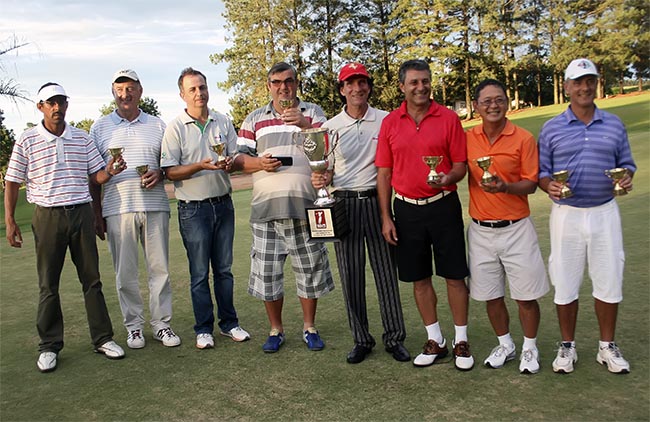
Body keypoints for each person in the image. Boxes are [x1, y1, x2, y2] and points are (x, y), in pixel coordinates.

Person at [4, 83, 125, 372]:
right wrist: (9, 220)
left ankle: (103, 338)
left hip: (80, 213)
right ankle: (49, 345)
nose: (57, 108)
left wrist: (110, 170)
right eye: (51, 103)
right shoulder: (27, 139)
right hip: (47, 216)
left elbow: (96, 176)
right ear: (41, 107)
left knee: (92, 279)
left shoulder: (81, 139)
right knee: (48, 284)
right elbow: (11, 180)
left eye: (61, 102)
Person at [539, 58, 636, 374]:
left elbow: (627, 163)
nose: (584, 87)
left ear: (596, 84)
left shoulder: (614, 124)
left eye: (589, 81)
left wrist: (626, 177)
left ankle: (606, 347)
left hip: (605, 212)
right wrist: (549, 185)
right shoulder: (552, 127)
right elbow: (542, 172)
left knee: (609, 280)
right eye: (578, 82)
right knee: (565, 282)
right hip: (567, 214)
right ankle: (567, 346)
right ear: (567, 86)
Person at [375, 59, 474, 371]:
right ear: (402, 86)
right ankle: (436, 340)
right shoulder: (390, 122)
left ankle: (460, 340)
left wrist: (448, 178)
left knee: (455, 275)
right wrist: (386, 216)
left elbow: (460, 164)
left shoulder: (447, 118)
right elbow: (384, 173)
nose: (421, 87)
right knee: (419, 278)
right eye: (414, 82)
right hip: (406, 209)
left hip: (444, 205)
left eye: (425, 81)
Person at [311, 62, 409, 364]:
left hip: (377, 201)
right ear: (342, 90)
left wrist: (386, 214)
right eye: (350, 84)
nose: (357, 88)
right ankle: (361, 339)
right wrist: (321, 178)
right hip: (344, 204)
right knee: (351, 276)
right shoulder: (330, 127)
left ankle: (394, 338)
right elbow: (324, 169)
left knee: (385, 275)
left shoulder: (386, 120)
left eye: (362, 82)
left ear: (369, 86)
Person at [234, 62, 334, 353]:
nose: (283, 87)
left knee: (310, 270)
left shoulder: (313, 112)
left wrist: (303, 124)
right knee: (268, 274)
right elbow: (239, 161)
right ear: (269, 85)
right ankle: (275, 329)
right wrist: (259, 164)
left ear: (296, 83)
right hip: (266, 209)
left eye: (288, 81)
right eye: (277, 82)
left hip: (306, 206)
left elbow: (327, 147)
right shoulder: (254, 119)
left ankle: (309, 327)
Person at [89, 69, 180, 349]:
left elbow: (169, 165)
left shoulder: (157, 124)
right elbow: (93, 176)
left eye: (130, 88)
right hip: (118, 209)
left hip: (154, 206)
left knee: (160, 269)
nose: (125, 94)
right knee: (125, 273)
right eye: (119, 89)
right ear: (113, 93)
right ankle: (134, 328)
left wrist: (160, 175)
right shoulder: (99, 127)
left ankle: (162, 325)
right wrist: (96, 214)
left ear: (140, 91)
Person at [161, 67, 249, 350]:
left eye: (202, 87)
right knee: (199, 273)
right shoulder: (175, 127)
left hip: (223, 204)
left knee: (224, 269)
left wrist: (228, 163)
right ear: (182, 94)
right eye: (193, 89)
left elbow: (234, 159)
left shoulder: (222, 120)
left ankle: (229, 323)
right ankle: (203, 329)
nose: (199, 93)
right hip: (192, 210)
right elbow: (170, 172)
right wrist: (200, 165)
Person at [466, 79, 549, 374]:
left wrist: (505, 187)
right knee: (491, 295)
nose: (493, 105)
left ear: (507, 103)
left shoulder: (523, 138)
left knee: (525, 296)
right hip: (480, 230)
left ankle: (529, 347)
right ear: (476, 106)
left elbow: (531, 184)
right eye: (486, 101)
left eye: (499, 99)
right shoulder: (468, 138)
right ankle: (506, 344)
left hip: (516, 229)